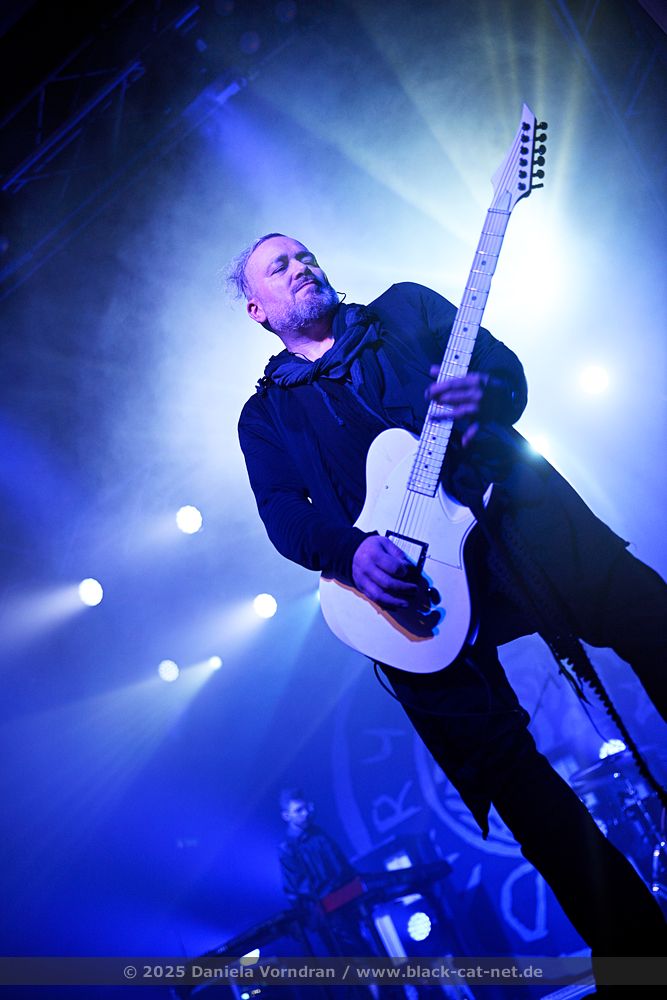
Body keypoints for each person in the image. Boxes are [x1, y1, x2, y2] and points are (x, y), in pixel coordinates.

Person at [232, 233, 667, 989]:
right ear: (256, 310)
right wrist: (350, 554)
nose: (302, 267)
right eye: (280, 266)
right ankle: (637, 957)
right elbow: (283, 516)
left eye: (306, 256)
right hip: (409, 589)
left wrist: (484, 395)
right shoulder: (265, 417)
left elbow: (505, 374)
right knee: (512, 779)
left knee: (650, 620)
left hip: (513, 522)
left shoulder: (405, 310)